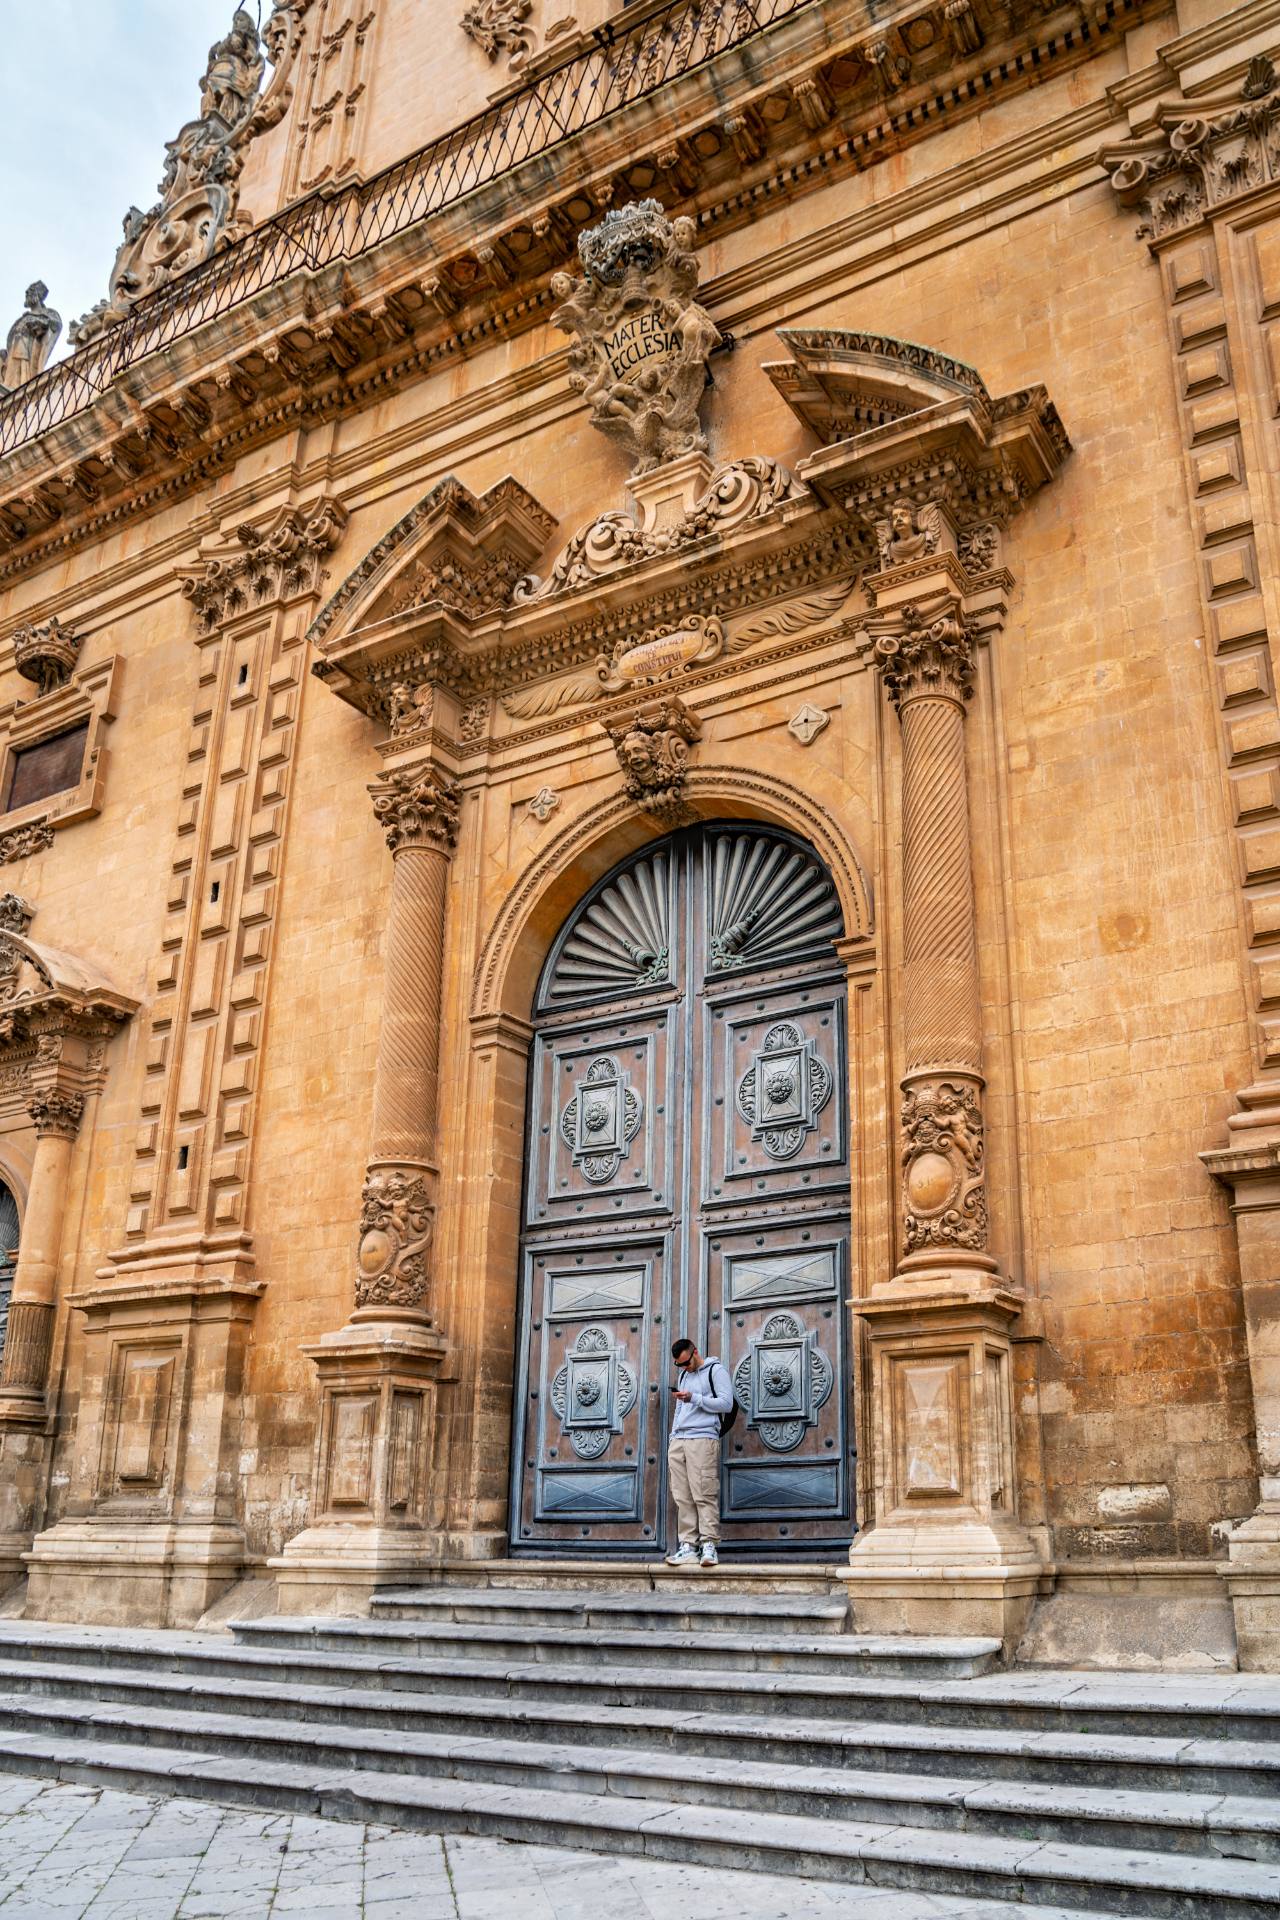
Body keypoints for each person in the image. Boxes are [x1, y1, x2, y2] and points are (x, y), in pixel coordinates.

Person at [665, 1334, 733, 1568]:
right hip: (679, 1441)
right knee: (682, 1496)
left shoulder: (716, 1371)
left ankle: (709, 1546)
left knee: (704, 1493)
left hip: (703, 1438)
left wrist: (695, 1398)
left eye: (686, 1362)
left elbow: (727, 1403)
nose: (683, 1367)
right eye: (679, 1365)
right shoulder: (684, 1374)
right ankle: (688, 1546)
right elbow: (679, 1409)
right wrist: (673, 1435)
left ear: (695, 1352)